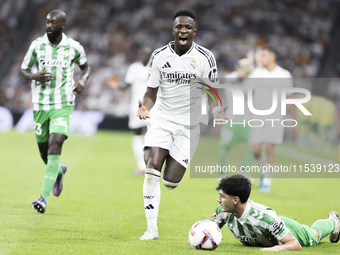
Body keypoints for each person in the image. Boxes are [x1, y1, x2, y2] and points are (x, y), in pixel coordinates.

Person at [137, 9, 227, 240]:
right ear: (173, 30)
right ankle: (151, 228)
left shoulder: (205, 58)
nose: (183, 30)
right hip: (162, 119)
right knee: (151, 169)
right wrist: (146, 107)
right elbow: (150, 92)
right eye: (179, 27)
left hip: (189, 126)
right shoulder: (159, 56)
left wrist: (217, 108)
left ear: (194, 32)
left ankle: (170, 171)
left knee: (169, 182)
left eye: (188, 27)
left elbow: (214, 91)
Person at [21, 9, 90, 213]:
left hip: (63, 104)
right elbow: (23, 70)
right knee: (45, 153)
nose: (49, 25)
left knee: (55, 144)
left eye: (53, 22)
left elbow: (86, 68)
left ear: (63, 25)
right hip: (40, 105)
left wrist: (82, 81)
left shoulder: (74, 47)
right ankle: (58, 171)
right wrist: (34, 76)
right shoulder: (36, 45)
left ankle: (43, 198)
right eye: (47, 22)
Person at [211, 174, 340, 251]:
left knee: (314, 234)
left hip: (291, 230)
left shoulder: (263, 217)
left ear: (235, 200)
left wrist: (276, 248)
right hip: (275, 222)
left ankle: (333, 221)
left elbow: (295, 244)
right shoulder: (222, 211)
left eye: (222, 196)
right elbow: (209, 229)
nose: (218, 199)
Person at [246, 45, 296, 193]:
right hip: (257, 116)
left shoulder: (284, 74)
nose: (261, 58)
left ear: (272, 56)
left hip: (275, 117)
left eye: (264, 55)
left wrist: (294, 119)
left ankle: (266, 182)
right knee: (255, 149)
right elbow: (249, 93)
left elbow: (290, 97)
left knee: (269, 148)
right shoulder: (257, 73)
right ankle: (264, 169)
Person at [218, 58, 254, 179]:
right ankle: (221, 173)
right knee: (226, 146)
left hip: (246, 120)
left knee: (252, 145)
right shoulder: (231, 77)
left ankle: (243, 171)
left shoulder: (250, 79)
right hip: (232, 119)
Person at [123, 48, 152, 175]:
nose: (144, 56)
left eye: (147, 54)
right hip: (136, 106)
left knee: (152, 136)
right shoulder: (134, 68)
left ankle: (151, 165)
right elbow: (126, 85)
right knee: (137, 134)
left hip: (152, 107)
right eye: (142, 53)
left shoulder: (155, 69)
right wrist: (116, 86)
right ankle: (141, 165)